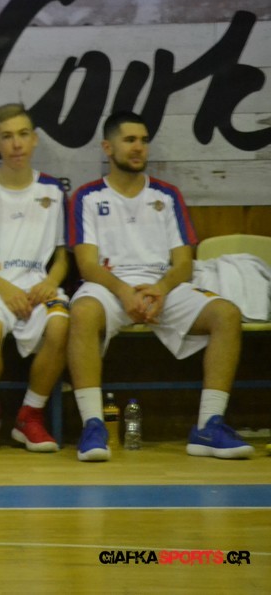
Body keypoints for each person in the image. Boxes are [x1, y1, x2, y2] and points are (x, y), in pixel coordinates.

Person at [68, 110, 254, 461]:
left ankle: (209, 427)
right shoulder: (87, 196)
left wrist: (160, 289)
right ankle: (93, 426)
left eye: (143, 140)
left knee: (226, 314)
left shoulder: (167, 195)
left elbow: (184, 262)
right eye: (129, 140)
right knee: (82, 312)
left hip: (161, 286)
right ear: (108, 147)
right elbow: (87, 265)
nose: (139, 147)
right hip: (111, 287)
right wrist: (125, 292)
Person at [0, 104, 68, 453]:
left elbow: (62, 256)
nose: (17, 144)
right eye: (7, 136)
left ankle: (30, 416)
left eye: (23, 134)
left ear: (35, 139)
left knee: (60, 326)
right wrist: (5, 289)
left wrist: (51, 282)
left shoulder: (53, 191)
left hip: (38, 286)